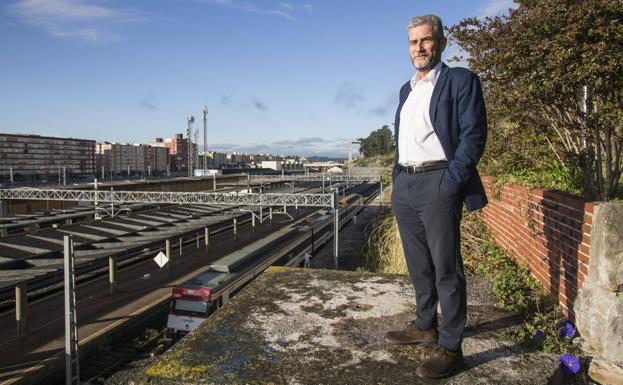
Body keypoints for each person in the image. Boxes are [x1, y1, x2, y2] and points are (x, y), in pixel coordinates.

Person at [385, 14, 488, 379]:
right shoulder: (406, 89)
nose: (419, 48)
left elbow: (473, 136)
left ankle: (451, 346)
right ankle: (425, 325)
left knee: (446, 267)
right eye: (413, 42)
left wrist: (450, 183)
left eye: (426, 40)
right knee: (419, 264)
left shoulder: (460, 80)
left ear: (441, 42)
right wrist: (397, 179)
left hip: (438, 181)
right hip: (407, 185)